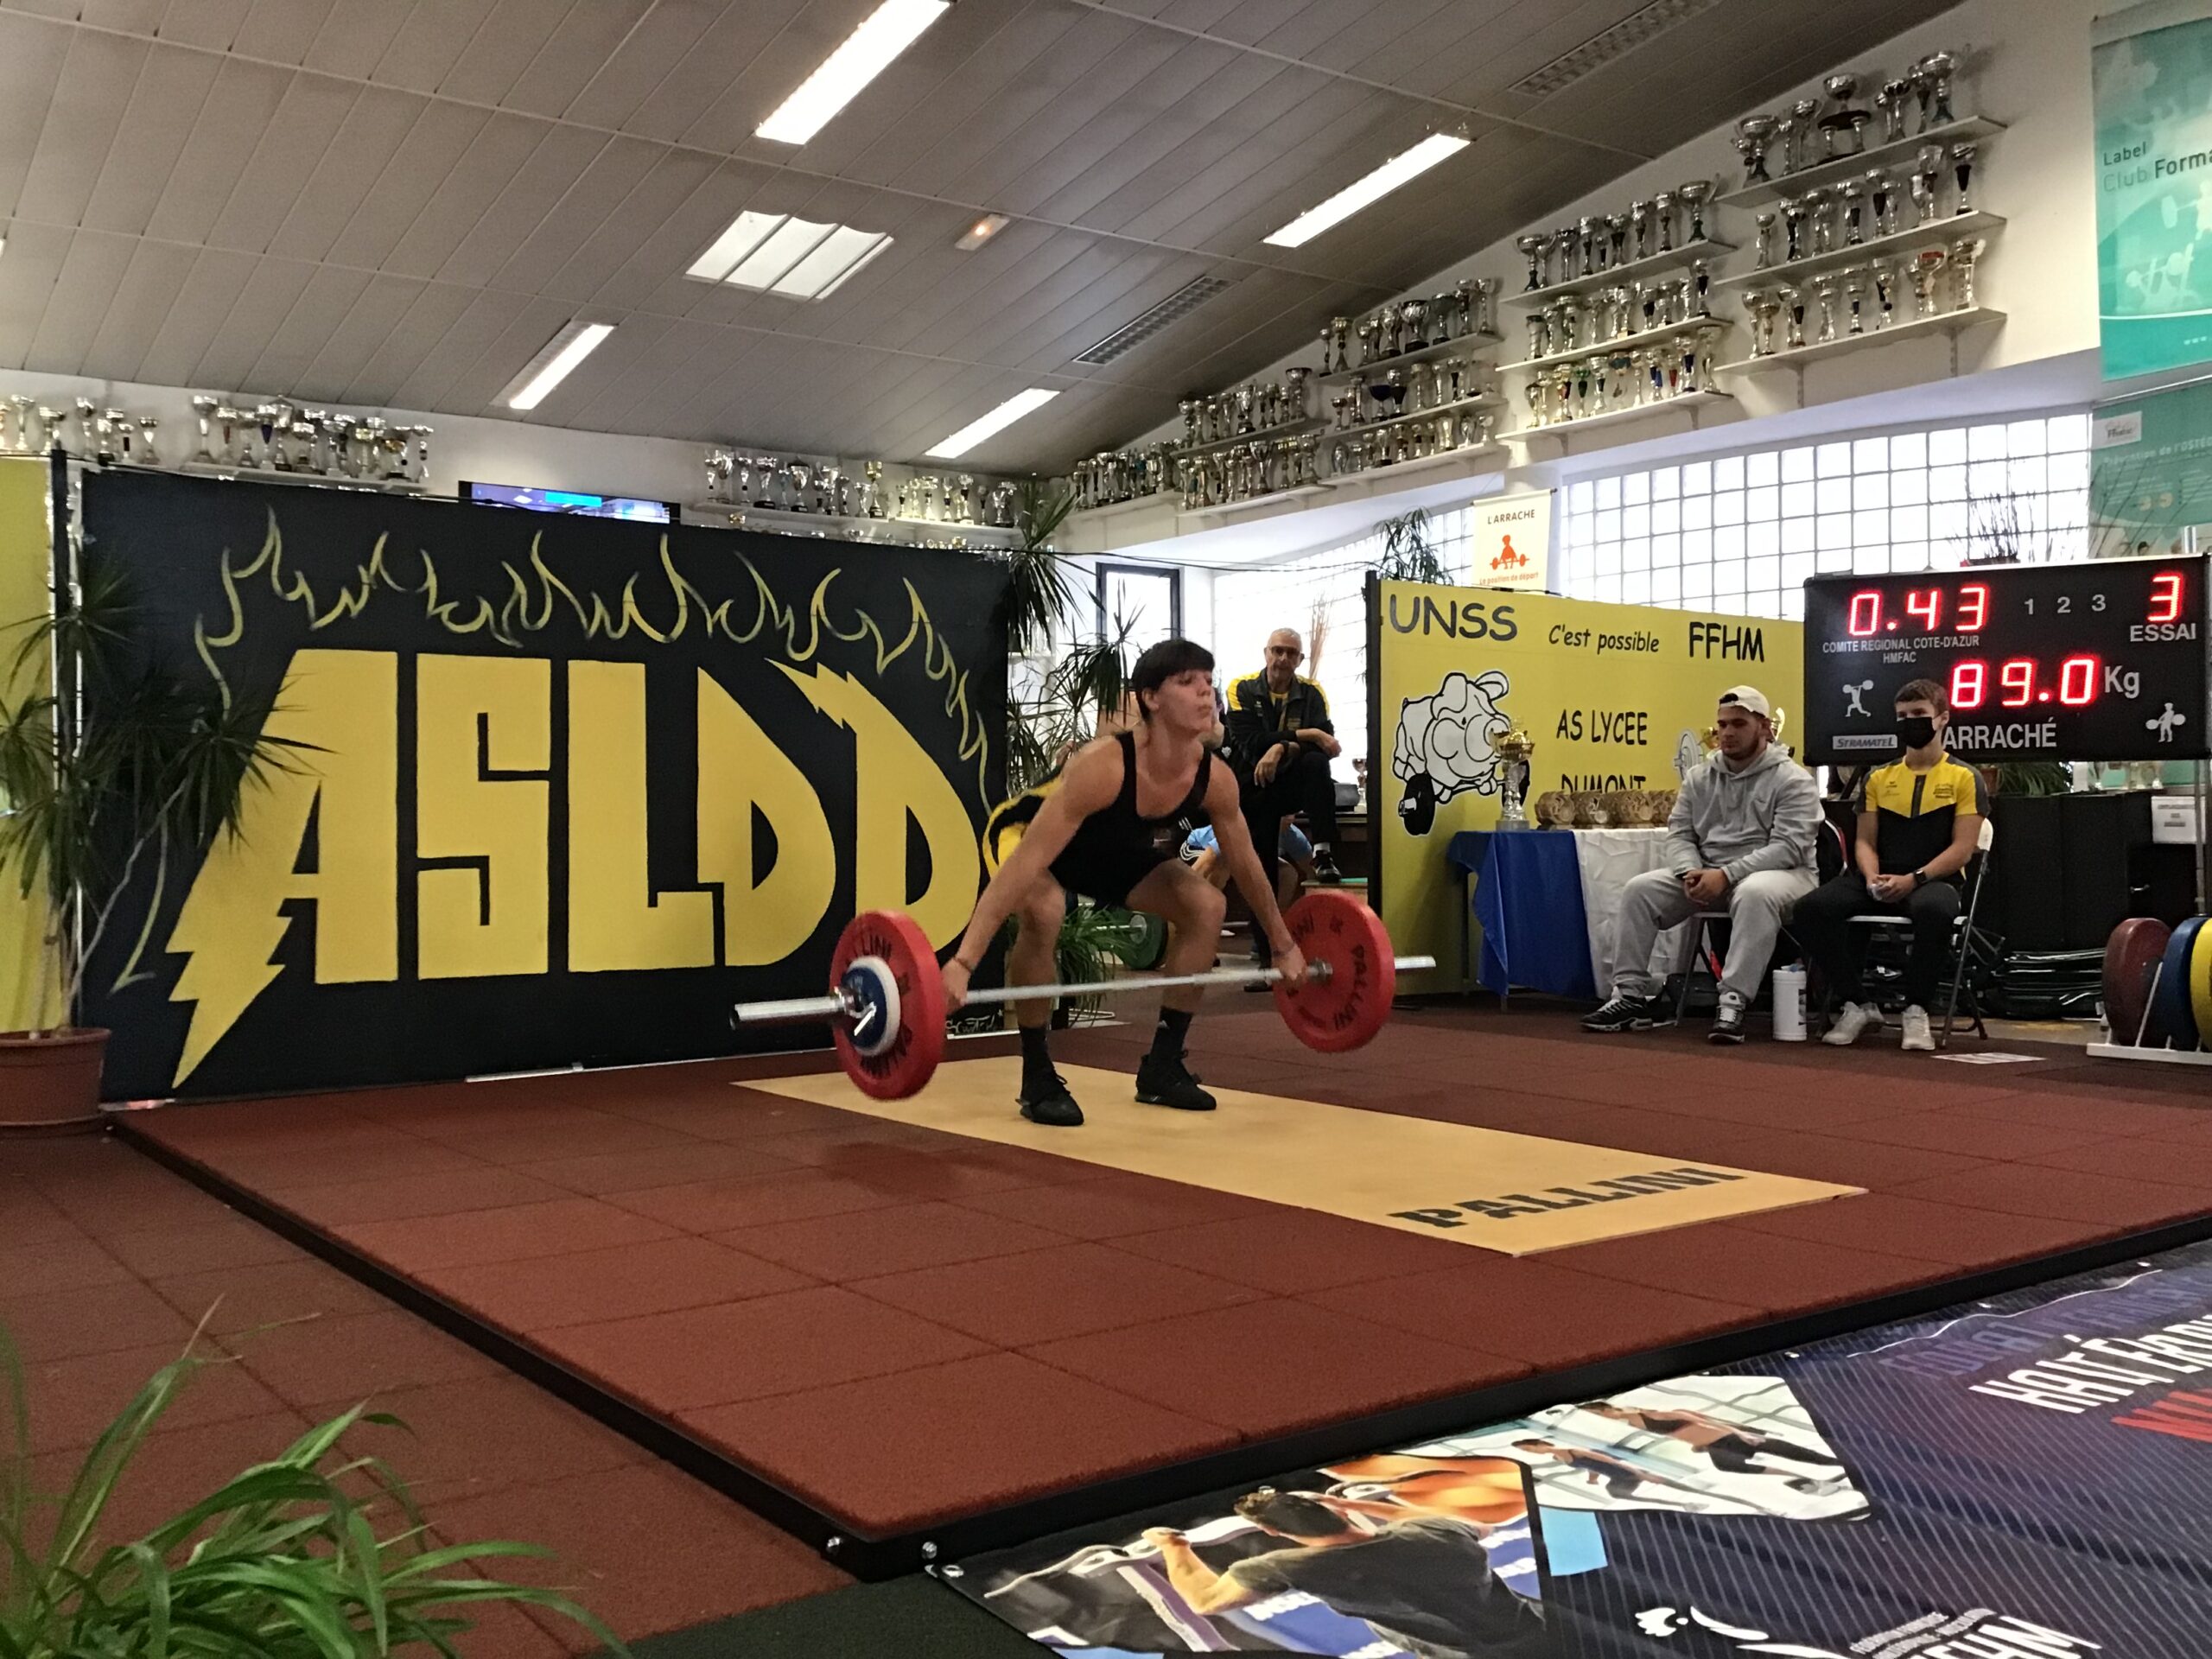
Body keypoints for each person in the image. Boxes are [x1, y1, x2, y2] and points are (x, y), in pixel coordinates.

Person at [958, 639, 1306, 1128]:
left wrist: (1284, 946)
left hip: (1107, 852)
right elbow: (1027, 863)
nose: (1205, 692)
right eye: (1187, 682)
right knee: (1045, 911)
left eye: (1208, 681)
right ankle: (1036, 1074)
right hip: (1026, 835)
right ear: (1151, 698)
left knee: (1205, 906)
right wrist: (962, 963)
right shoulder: (1104, 765)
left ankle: (1162, 1066)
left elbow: (1247, 863)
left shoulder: (1215, 779)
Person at [1582, 686, 1821, 1044]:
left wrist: (1726, 874)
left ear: (1764, 727)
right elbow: (1680, 834)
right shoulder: (1699, 777)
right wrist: (1688, 871)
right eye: (1722, 724)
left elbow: (1788, 848)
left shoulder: (1793, 780)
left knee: (1755, 893)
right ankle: (1629, 996)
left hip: (1785, 876)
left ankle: (1733, 1002)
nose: (1727, 732)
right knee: (1639, 890)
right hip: (1709, 872)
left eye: (1738, 724)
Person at [1794, 677, 1986, 1053]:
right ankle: (1858, 1004)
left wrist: (1914, 879)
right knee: (1810, 909)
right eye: (1903, 716)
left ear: (1943, 718)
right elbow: (1865, 841)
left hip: (1934, 879)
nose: (1911, 722)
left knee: (1935, 910)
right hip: (1879, 875)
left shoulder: (1965, 777)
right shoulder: (1878, 777)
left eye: (1919, 714)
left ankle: (1917, 1009)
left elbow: (1963, 849)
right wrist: (1871, 878)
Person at [1143, 1489, 1546, 1659]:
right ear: (1332, 1510)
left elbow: (1206, 1599)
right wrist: (1356, 1504)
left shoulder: (1291, 1565)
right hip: (1547, 1628)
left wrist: (1173, 1546)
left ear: (1271, 1531)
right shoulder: (1434, 1530)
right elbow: (1479, 1527)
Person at [1225, 631, 1344, 958]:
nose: (1283, 658)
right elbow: (1251, 744)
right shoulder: (1241, 688)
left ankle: (1323, 853)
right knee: (1262, 874)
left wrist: (1280, 747)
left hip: (1290, 783)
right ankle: (1265, 958)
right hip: (1254, 788)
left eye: (1291, 653)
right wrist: (1309, 733)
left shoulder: (1312, 692)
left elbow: (1326, 746)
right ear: (1265, 653)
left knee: (1317, 763)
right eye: (1277, 650)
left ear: (1300, 660)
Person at [1579, 1402, 1844, 1491]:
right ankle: (1801, 1478)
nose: (1602, 1420)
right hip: (1714, 1444)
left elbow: (1700, 1420)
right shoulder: (1637, 1424)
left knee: (1798, 1453)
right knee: (1729, 1466)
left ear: (1609, 1410)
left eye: (1599, 1415)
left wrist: (1740, 1433)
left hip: (1728, 1437)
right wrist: (1698, 1446)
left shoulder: (1653, 1415)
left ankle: (1836, 1465)